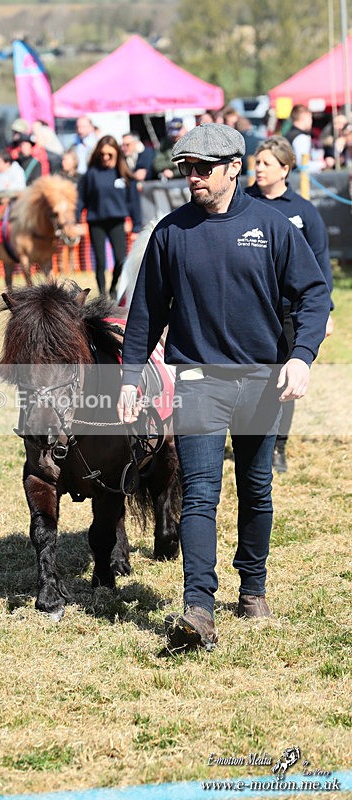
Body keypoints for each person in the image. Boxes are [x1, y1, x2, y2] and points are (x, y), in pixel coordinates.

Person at [117, 123, 330, 652]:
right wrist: (126, 378)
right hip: (197, 380)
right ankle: (198, 607)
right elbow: (145, 312)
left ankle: (253, 588)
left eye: (203, 169)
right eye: (186, 169)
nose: (193, 178)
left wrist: (301, 357)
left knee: (256, 489)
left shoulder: (274, 227)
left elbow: (314, 294)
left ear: (234, 167)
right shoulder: (170, 233)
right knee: (200, 494)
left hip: (262, 382)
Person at [245, 135, 334, 472]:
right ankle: (247, 435)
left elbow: (320, 266)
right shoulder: (243, 202)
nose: (260, 169)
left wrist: (325, 312)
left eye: (267, 163)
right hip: (252, 306)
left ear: (285, 168)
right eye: (258, 162)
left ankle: (277, 446)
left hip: (289, 310)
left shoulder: (302, 211)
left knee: (286, 372)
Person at [77, 134, 142, 297]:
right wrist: (75, 219)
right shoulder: (91, 174)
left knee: (121, 259)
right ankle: (103, 295)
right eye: (102, 154)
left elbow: (133, 201)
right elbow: (81, 199)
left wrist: (136, 226)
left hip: (117, 221)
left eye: (109, 154)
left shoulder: (123, 173)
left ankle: (113, 287)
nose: (106, 158)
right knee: (100, 261)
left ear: (116, 153)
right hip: (96, 221)